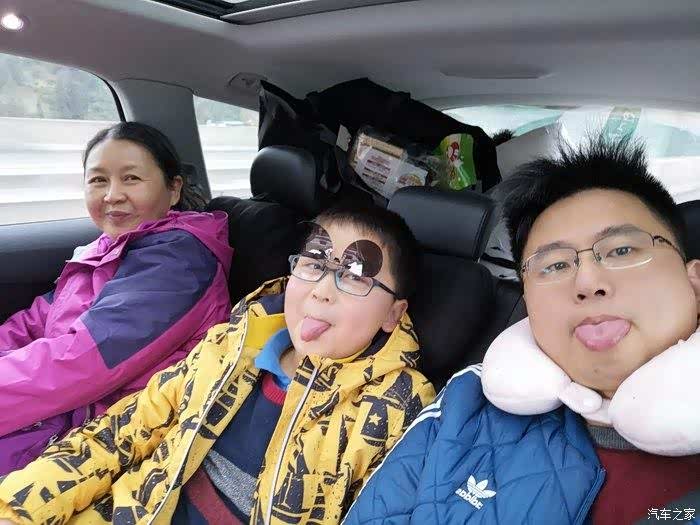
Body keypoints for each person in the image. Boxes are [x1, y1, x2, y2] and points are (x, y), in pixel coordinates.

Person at [0, 203, 435, 525]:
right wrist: (17, 508)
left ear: (394, 313)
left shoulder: (396, 403)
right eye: (313, 264)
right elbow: (121, 432)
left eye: (355, 276)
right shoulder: (231, 345)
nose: (322, 290)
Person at [343, 137, 700, 524]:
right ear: (528, 302)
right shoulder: (465, 406)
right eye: (555, 265)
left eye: (621, 250)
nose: (587, 282)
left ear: (694, 281)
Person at [0, 122, 232, 476]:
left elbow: (80, 363)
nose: (112, 195)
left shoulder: (178, 265)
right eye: (98, 180)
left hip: (105, 436)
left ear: (173, 190)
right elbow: (35, 322)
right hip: (59, 412)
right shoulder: (106, 248)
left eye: (131, 178)